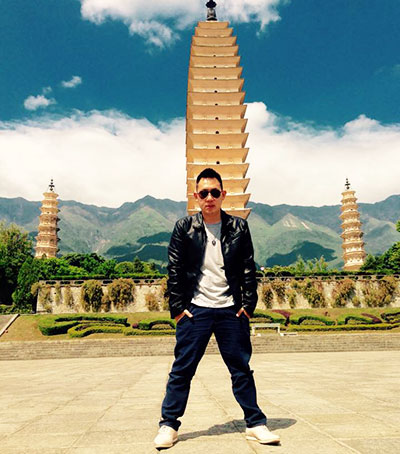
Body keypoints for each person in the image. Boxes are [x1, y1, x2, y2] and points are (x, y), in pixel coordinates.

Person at [154, 168, 280, 449]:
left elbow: (247, 267)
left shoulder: (238, 227)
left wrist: (248, 306)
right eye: (203, 193)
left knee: (241, 369)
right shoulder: (184, 227)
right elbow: (174, 269)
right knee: (182, 369)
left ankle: (255, 423)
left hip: (230, 309)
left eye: (214, 192)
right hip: (195, 309)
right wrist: (178, 308)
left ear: (223, 194)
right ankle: (168, 425)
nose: (209, 197)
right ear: (196, 197)